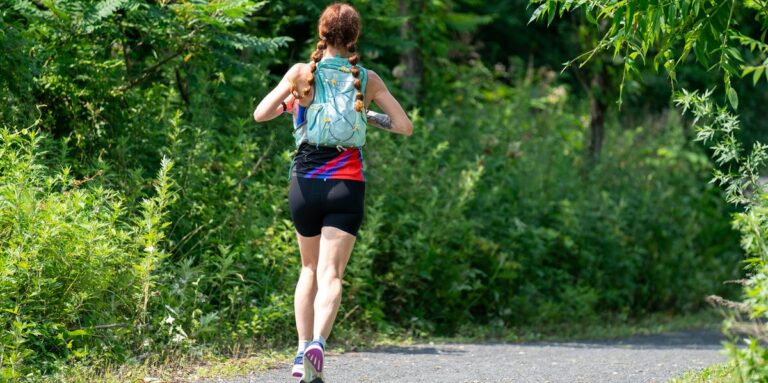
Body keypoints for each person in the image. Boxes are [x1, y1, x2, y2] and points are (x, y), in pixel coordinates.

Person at [252, 3, 412, 382]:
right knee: (332, 274)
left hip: (305, 184)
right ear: (354, 37)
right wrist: (369, 115)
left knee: (307, 268)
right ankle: (319, 344)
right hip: (346, 185)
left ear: (321, 34)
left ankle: (298, 352)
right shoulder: (366, 78)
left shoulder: (300, 73)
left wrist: (290, 104)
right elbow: (404, 126)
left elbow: (261, 113)